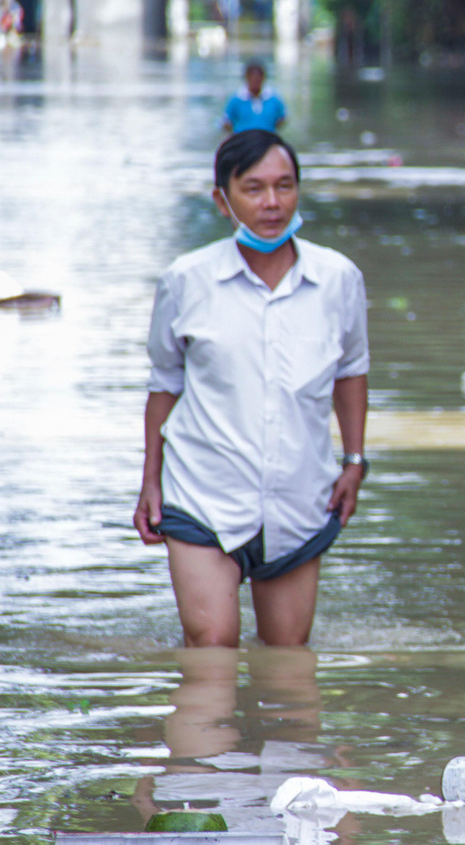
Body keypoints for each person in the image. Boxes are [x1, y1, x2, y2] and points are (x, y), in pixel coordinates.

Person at [133, 130, 369, 648]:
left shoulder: (338, 279)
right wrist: (151, 480)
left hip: (300, 497)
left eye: (284, 186)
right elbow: (164, 383)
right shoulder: (186, 280)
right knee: (212, 645)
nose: (272, 203)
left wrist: (354, 460)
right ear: (223, 200)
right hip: (202, 493)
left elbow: (350, 371)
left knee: (288, 657)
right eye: (254, 188)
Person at [222, 61, 287, 135]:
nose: (255, 82)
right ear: (247, 78)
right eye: (253, 79)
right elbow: (226, 122)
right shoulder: (236, 99)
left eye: (258, 79)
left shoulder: (274, 99)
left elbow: (282, 119)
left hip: (268, 139)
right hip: (242, 139)